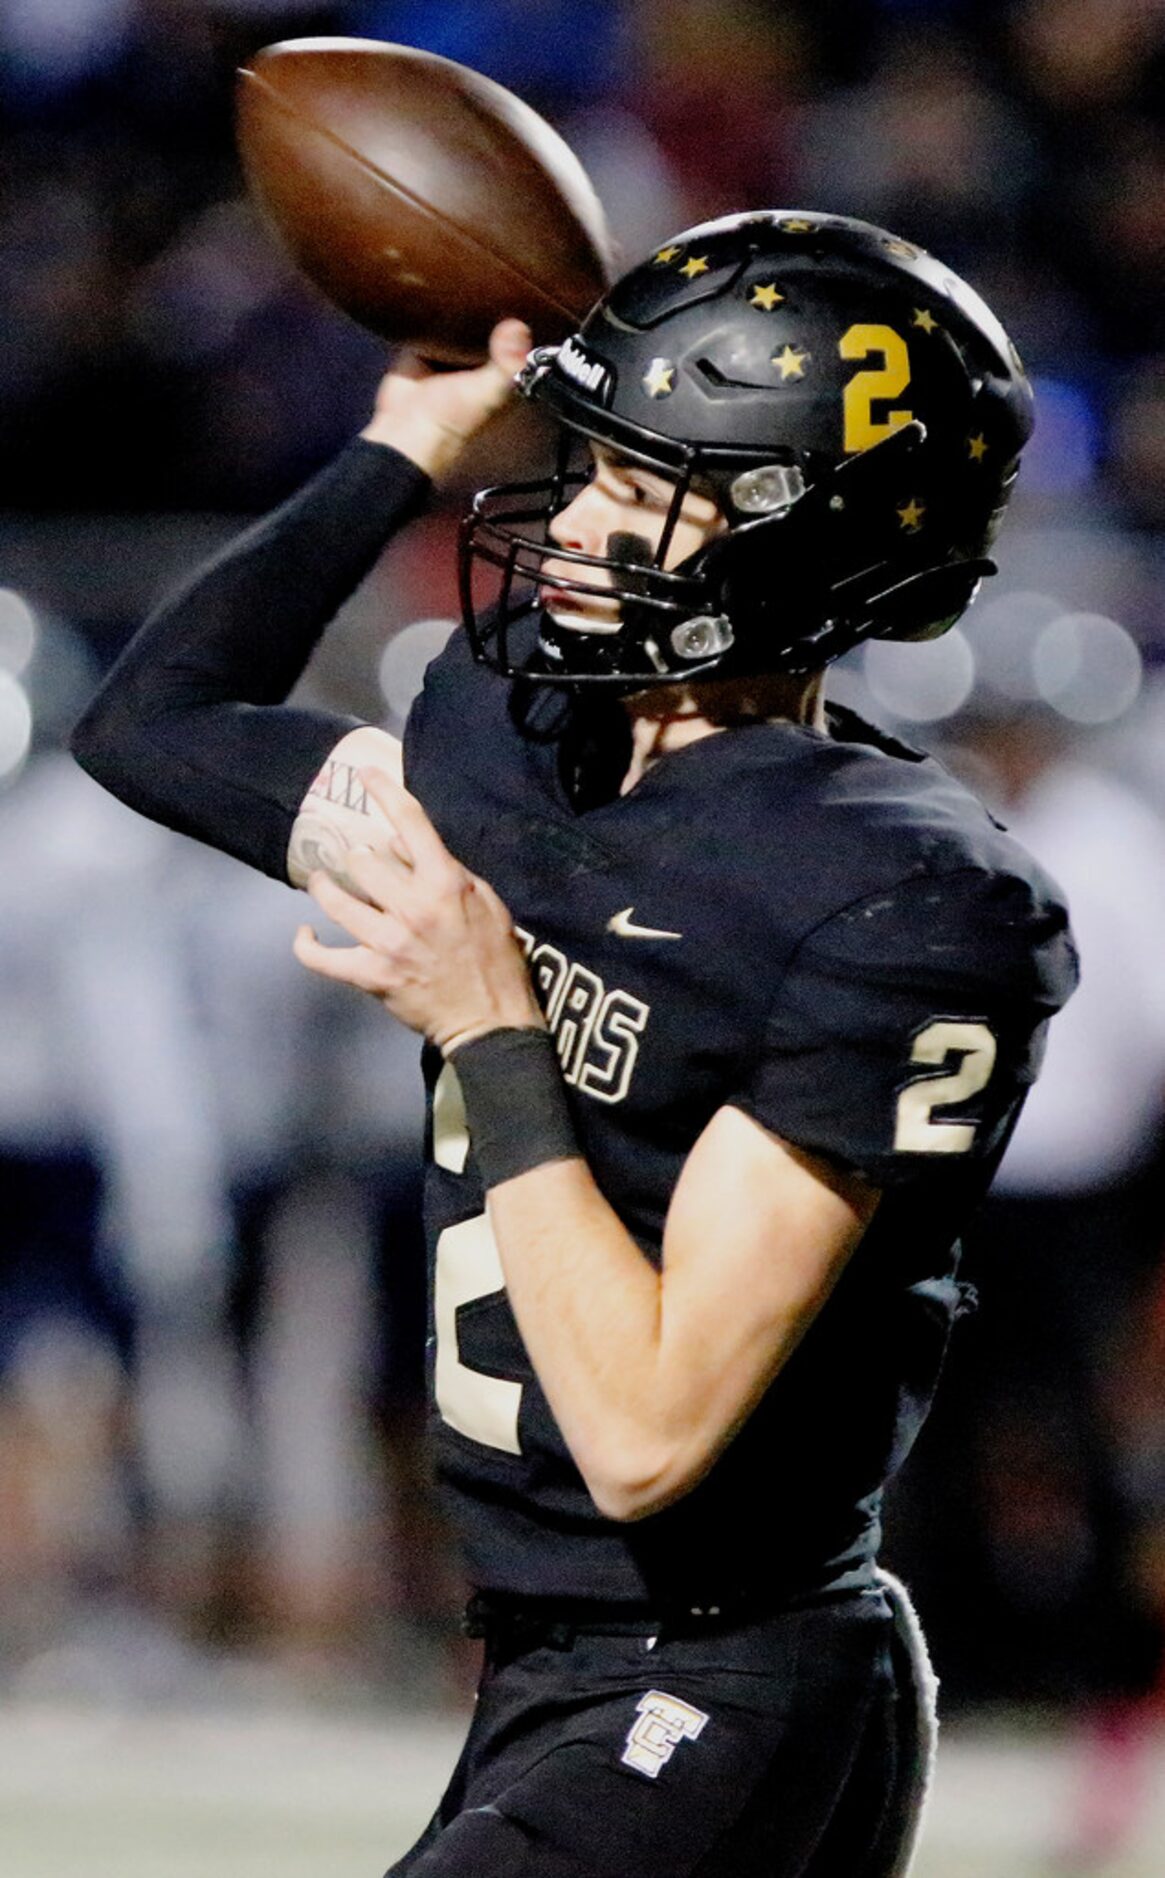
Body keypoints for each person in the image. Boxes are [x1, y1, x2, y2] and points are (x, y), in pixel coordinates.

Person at [72, 212, 1077, 1876]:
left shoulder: (902, 897)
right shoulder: (519, 728)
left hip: (724, 1669)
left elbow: (647, 1433)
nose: (568, 521)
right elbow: (156, 721)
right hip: (549, 1661)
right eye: (590, 460)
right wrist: (397, 447)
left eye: (641, 485)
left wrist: (487, 1022)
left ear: (791, 539)